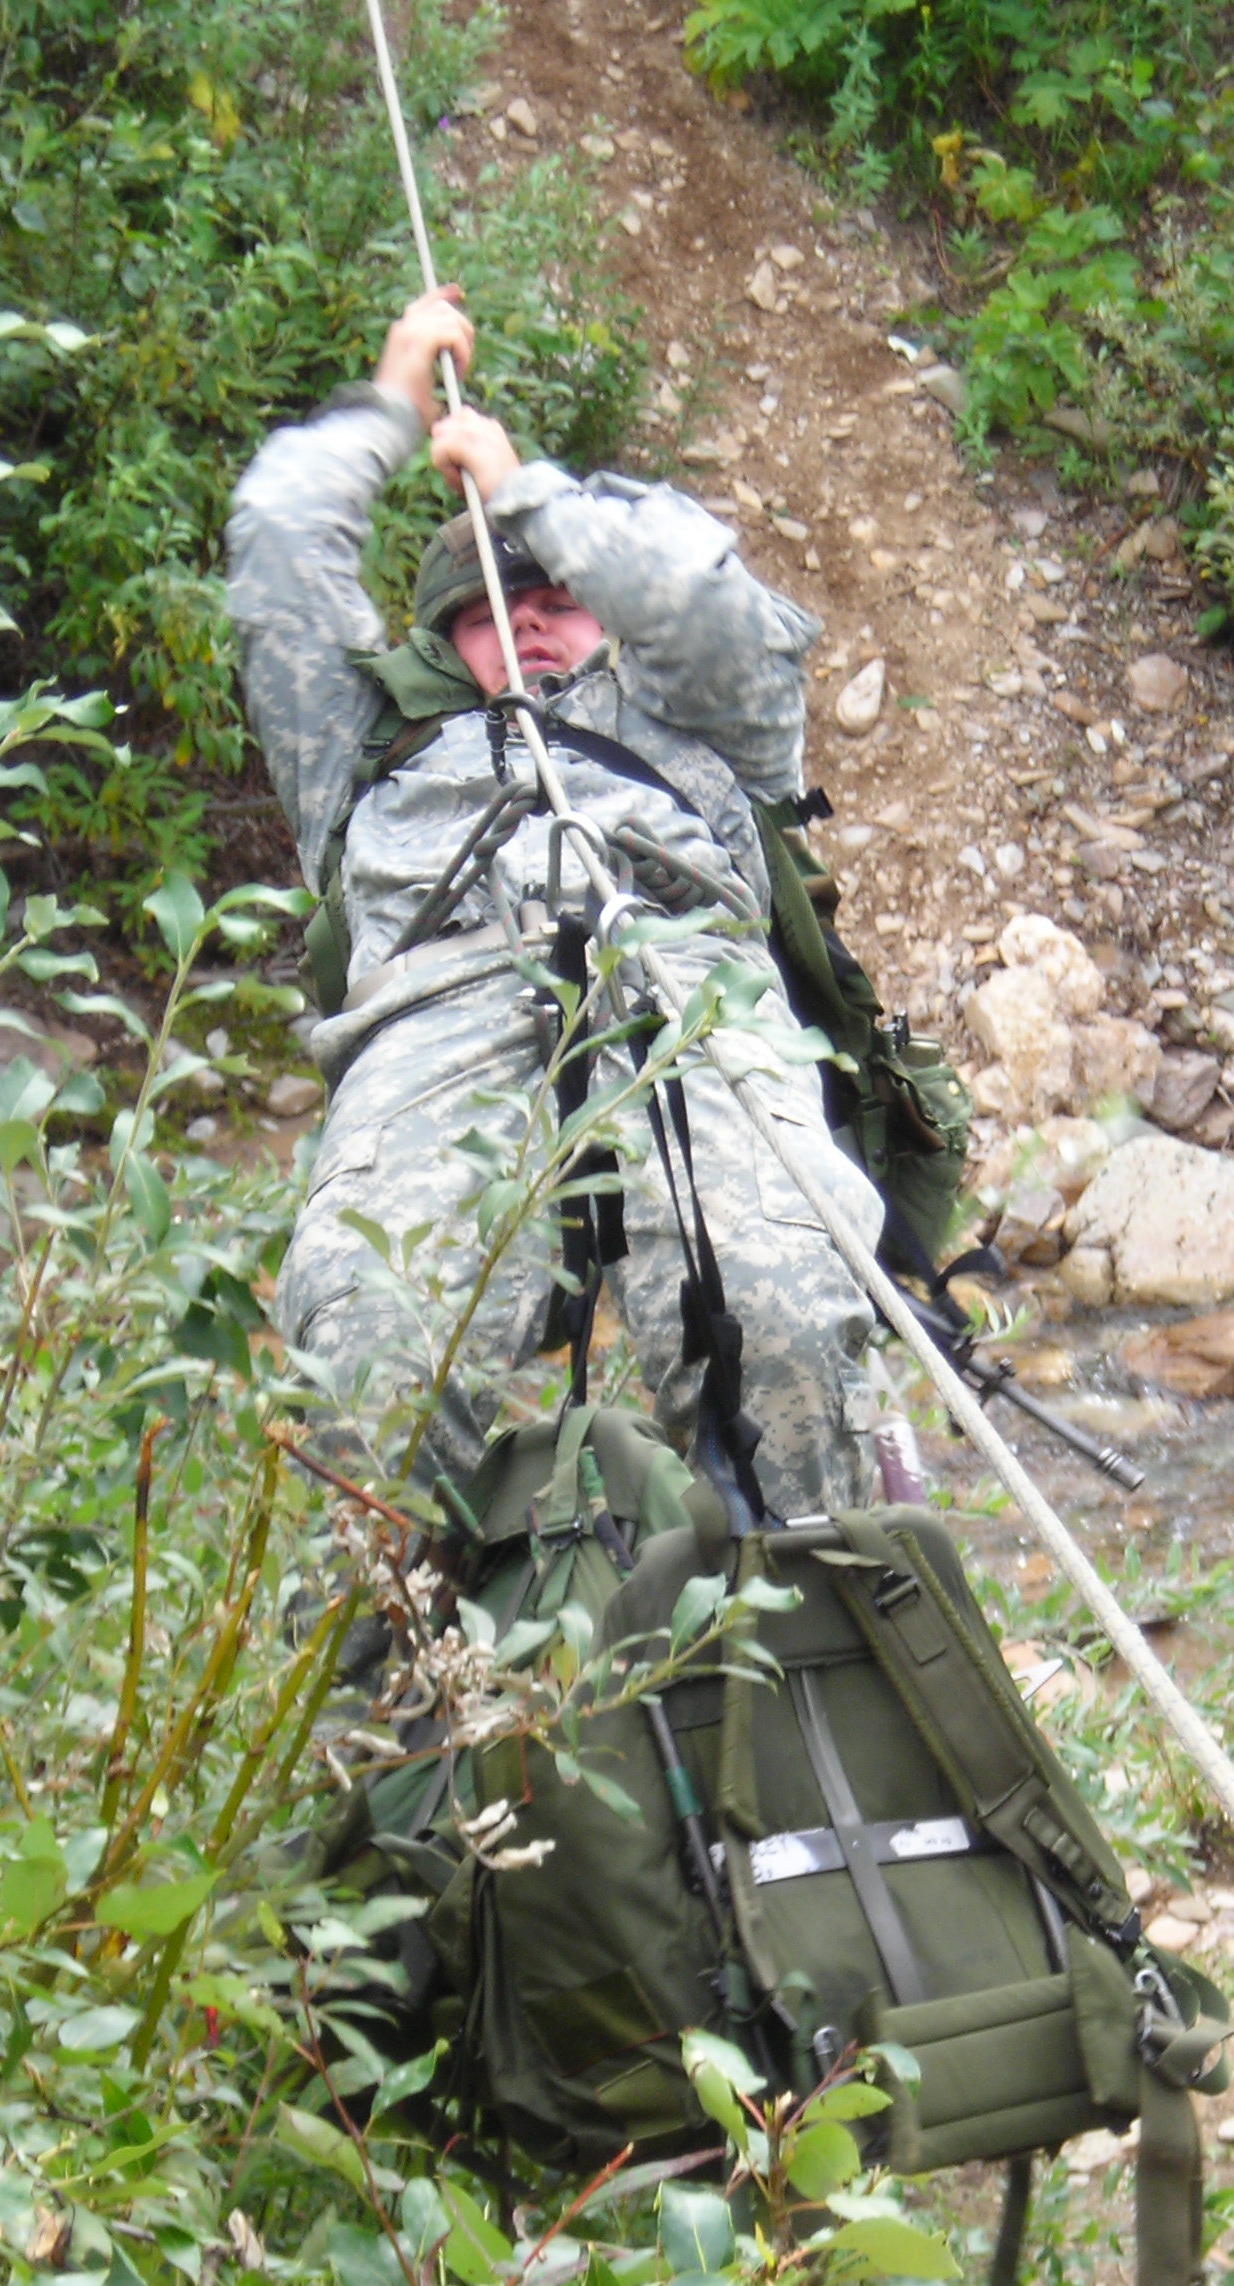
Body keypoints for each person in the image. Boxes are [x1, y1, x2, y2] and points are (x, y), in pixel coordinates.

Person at [225, 286, 884, 1513]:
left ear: (606, 609)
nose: (526, 625)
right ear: (444, 641)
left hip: (682, 989)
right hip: (441, 1011)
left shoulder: (701, 719)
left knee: (781, 1307)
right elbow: (277, 545)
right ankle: (388, 1633)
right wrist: (388, 404)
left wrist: (530, 496)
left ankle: (817, 1606)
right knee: (367, 1339)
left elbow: (706, 599)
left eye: (560, 601)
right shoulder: (364, 750)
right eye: (490, 611)